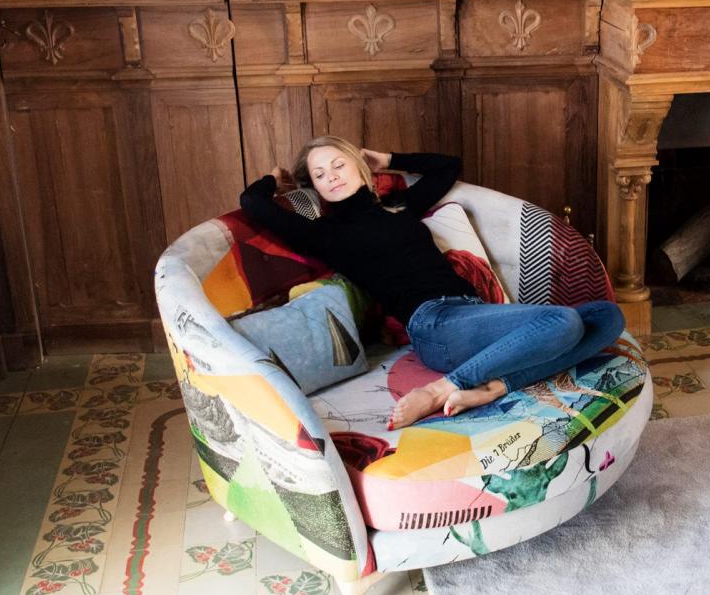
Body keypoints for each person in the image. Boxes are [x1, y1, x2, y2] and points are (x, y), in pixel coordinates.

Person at [239, 135, 625, 429]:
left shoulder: (399, 208)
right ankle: (442, 388)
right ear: (315, 186)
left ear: (359, 166)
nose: (332, 177)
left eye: (338, 165)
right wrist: (273, 179)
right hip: (433, 326)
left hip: (473, 314)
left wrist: (388, 160)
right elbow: (252, 202)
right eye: (320, 175)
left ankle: (493, 387)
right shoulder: (323, 233)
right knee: (563, 322)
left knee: (608, 317)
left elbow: (447, 167)